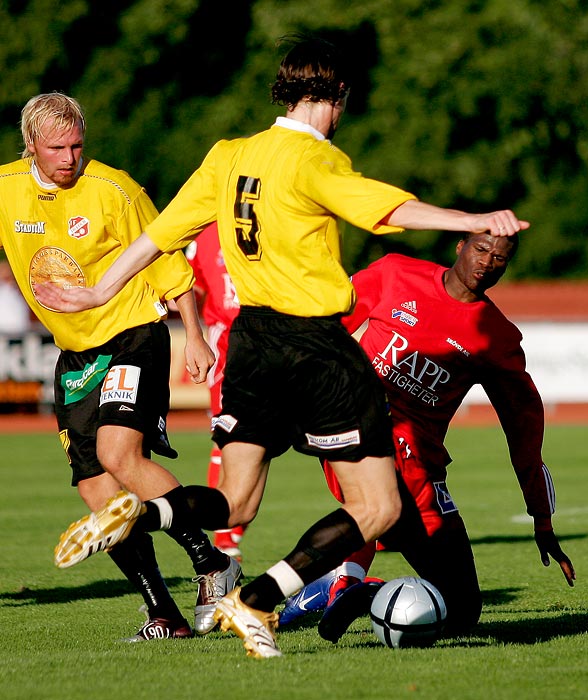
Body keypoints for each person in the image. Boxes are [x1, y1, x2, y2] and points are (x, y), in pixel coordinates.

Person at [35, 37, 530, 658]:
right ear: (337, 97)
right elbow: (387, 210)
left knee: (233, 501)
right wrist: (475, 220)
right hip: (315, 347)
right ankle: (259, 599)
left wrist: (96, 291)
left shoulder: (228, 155)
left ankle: (143, 513)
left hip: (251, 343)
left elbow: (161, 234)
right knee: (376, 507)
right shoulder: (315, 161)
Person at [0, 92, 242, 641]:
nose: (69, 157)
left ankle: (212, 564)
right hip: (75, 353)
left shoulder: (114, 188)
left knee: (118, 452)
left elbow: (168, 259)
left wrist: (196, 337)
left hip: (134, 334)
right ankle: (164, 612)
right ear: (30, 146)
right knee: (95, 490)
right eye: (56, 147)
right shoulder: (6, 188)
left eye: (77, 145)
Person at [280, 232, 576, 640]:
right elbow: (324, 327)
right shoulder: (395, 273)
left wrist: (541, 519)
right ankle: (334, 585)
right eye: (481, 250)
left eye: (500, 259)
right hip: (366, 434)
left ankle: (352, 587)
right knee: (374, 492)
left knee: (463, 611)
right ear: (460, 246)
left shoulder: (496, 337)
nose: (487, 263)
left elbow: (524, 428)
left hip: (422, 469)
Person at [184, 222, 246, 560]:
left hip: (271, 335)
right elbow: (183, 286)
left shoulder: (205, 235)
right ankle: (225, 535)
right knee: (227, 433)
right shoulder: (206, 236)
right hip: (228, 340)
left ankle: (372, 515)